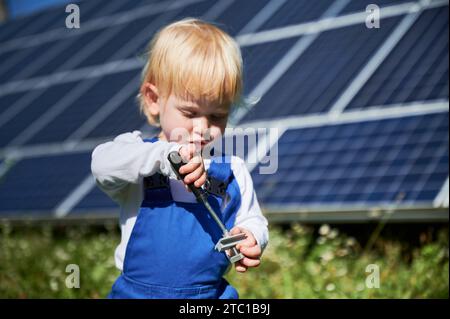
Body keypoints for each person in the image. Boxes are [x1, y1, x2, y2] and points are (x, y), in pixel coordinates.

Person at [91, 18, 269, 299]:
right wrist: (166, 157)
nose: (202, 128)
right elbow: (101, 165)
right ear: (153, 99)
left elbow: (253, 218)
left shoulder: (231, 169)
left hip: (208, 295)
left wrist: (251, 235)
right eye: (189, 113)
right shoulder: (139, 156)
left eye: (217, 116)